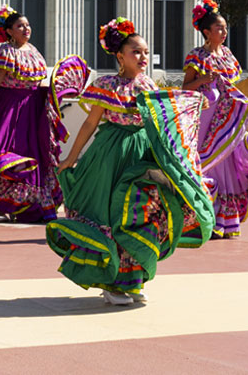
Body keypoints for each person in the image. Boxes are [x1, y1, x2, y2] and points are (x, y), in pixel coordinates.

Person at [47, 17, 214, 305]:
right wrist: (70, 158)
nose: (143, 57)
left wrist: (193, 103)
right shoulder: (106, 85)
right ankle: (111, 282)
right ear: (120, 56)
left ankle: (132, 280)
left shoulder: (147, 84)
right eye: (136, 52)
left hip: (142, 154)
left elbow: (167, 115)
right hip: (110, 157)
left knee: (139, 215)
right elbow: (89, 124)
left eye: (146, 52)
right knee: (110, 216)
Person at [0, 6, 74, 223]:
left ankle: (31, 206)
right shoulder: (5, 52)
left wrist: (56, 95)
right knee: (9, 155)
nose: (26, 29)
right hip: (11, 110)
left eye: (27, 25)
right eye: (20, 26)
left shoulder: (34, 51)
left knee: (38, 154)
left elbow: (40, 82)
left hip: (34, 109)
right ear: (9, 31)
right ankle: (0, 205)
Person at [181, 0, 248, 238]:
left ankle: (225, 221)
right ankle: (206, 218)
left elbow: (234, 83)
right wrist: (202, 80)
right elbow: (185, 88)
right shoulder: (197, 56)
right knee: (211, 165)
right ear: (206, 32)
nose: (224, 32)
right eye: (219, 28)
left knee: (228, 166)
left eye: (225, 28)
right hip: (206, 119)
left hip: (228, 119)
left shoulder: (227, 55)